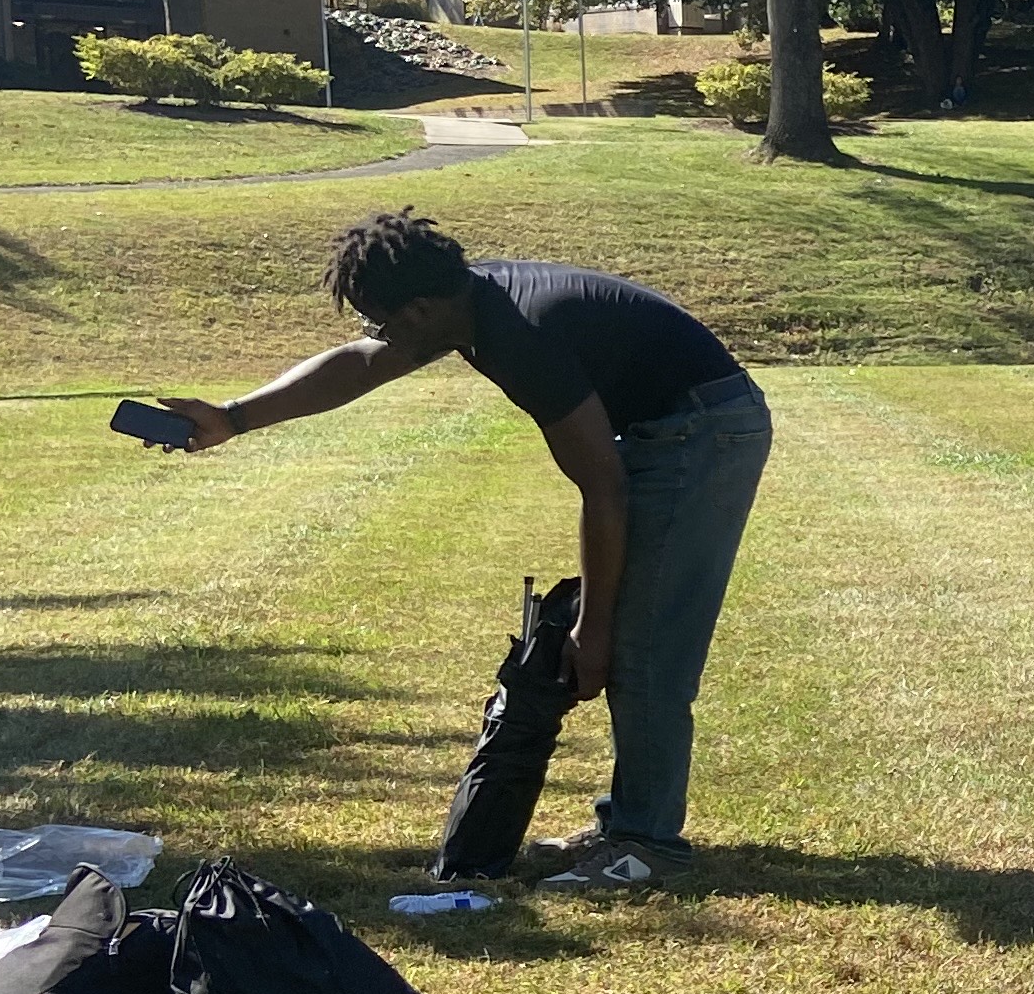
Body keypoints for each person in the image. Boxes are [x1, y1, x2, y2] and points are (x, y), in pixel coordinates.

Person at [166, 212, 767, 888]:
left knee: (646, 641)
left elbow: (603, 490)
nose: (379, 334)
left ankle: (646, 846)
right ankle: (628, 822)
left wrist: (591, 629)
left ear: (421, 308)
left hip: (705, 431)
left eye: (382, 319)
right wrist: (235, 417)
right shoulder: (466, 302)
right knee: (634, 634)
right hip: (674, 424)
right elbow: (360, 366)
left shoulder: (520, 336)